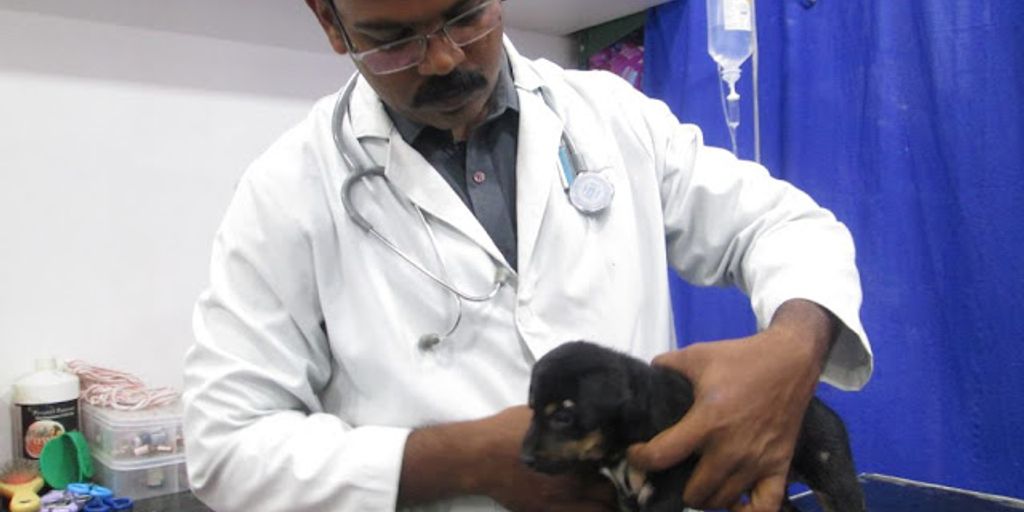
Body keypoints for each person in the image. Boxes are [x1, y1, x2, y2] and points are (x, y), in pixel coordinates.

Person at [183, 0, 873, 510]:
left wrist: (791, 348)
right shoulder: (286, 192)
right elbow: (224, 448)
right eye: (394, 41)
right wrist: (464, 461)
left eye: (465, 17)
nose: (445, 58)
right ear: (330, 24)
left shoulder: (613, 115)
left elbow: (787, 226)